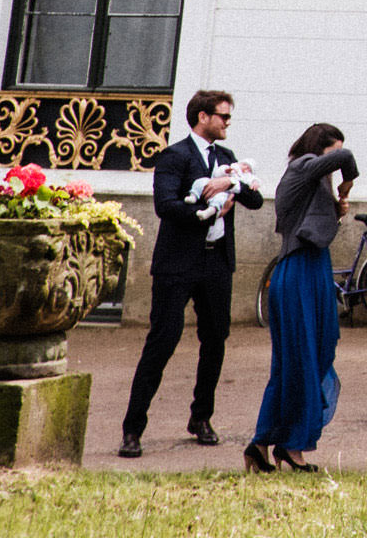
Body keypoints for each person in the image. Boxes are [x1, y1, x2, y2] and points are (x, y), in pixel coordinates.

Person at [121, 89, 265, 458]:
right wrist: (210, 205)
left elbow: (254, 199)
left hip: (216, 262)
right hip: (178, 264)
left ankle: (201, 417)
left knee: (215, 339)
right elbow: (165, 207)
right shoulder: (175, 156)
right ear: (203, 117)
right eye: (223, 116)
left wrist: (231, 182)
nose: (228, 123)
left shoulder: (227, 158)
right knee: (162, 341)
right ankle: (133, 428)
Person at [245, 122, 357, 472]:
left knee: (314, 353)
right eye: (331, 150)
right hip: (297, 274)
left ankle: (268, 443)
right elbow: (346, 156)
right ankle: (289, 447)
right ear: (320, 147)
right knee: (299, 362)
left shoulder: (312, 179)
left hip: (314, 269)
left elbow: (316, 229)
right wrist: (347, 179)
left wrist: (336, 209)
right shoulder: (302, 165)